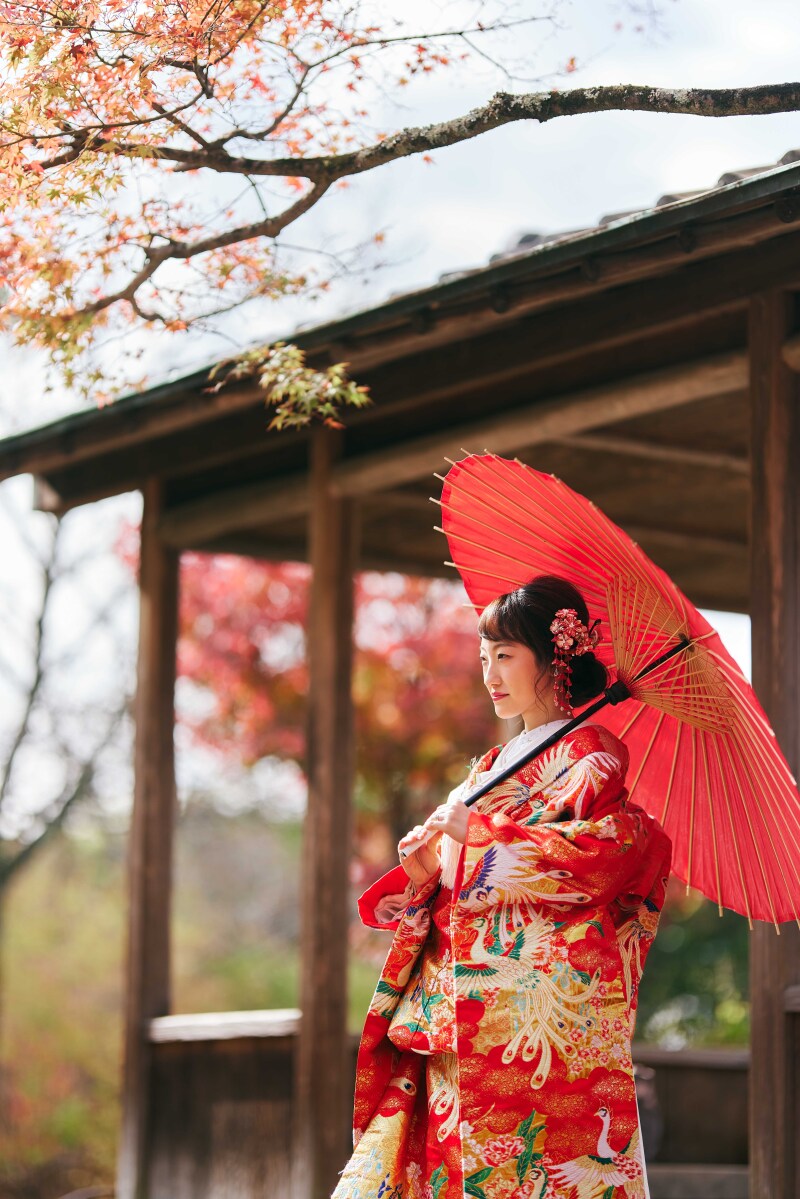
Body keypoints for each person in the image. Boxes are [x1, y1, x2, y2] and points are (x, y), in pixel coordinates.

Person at [333, 575, 672, 1199]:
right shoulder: (491, 765)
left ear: (555, 660)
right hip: (450, 1005)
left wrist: (484, 837)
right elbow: (455, 883)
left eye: (506, 656)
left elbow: (607, 856)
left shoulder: (591, 754)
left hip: (528, 1021)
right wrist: (426, 868)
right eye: (484, 656)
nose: (489, 672)